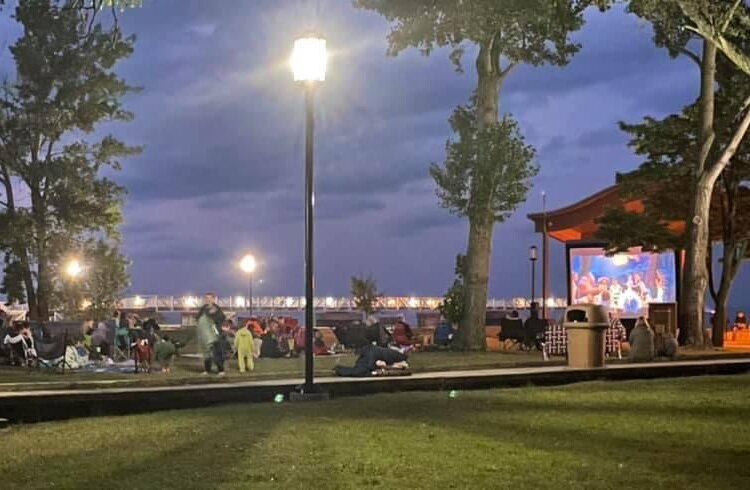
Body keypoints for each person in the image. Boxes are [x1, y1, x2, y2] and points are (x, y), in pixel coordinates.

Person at [196, 292, 226, 375]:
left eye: (210, 298)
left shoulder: (217, 308)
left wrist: (213, 317)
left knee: (217, 352)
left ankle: (220, 370)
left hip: (214, 334)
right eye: (206, 298)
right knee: (206, 353)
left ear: (213, 299)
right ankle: (207, 369)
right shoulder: (203, 308)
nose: (208, 300)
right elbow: (198, 317)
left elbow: (222, 318)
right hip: (205, 334)